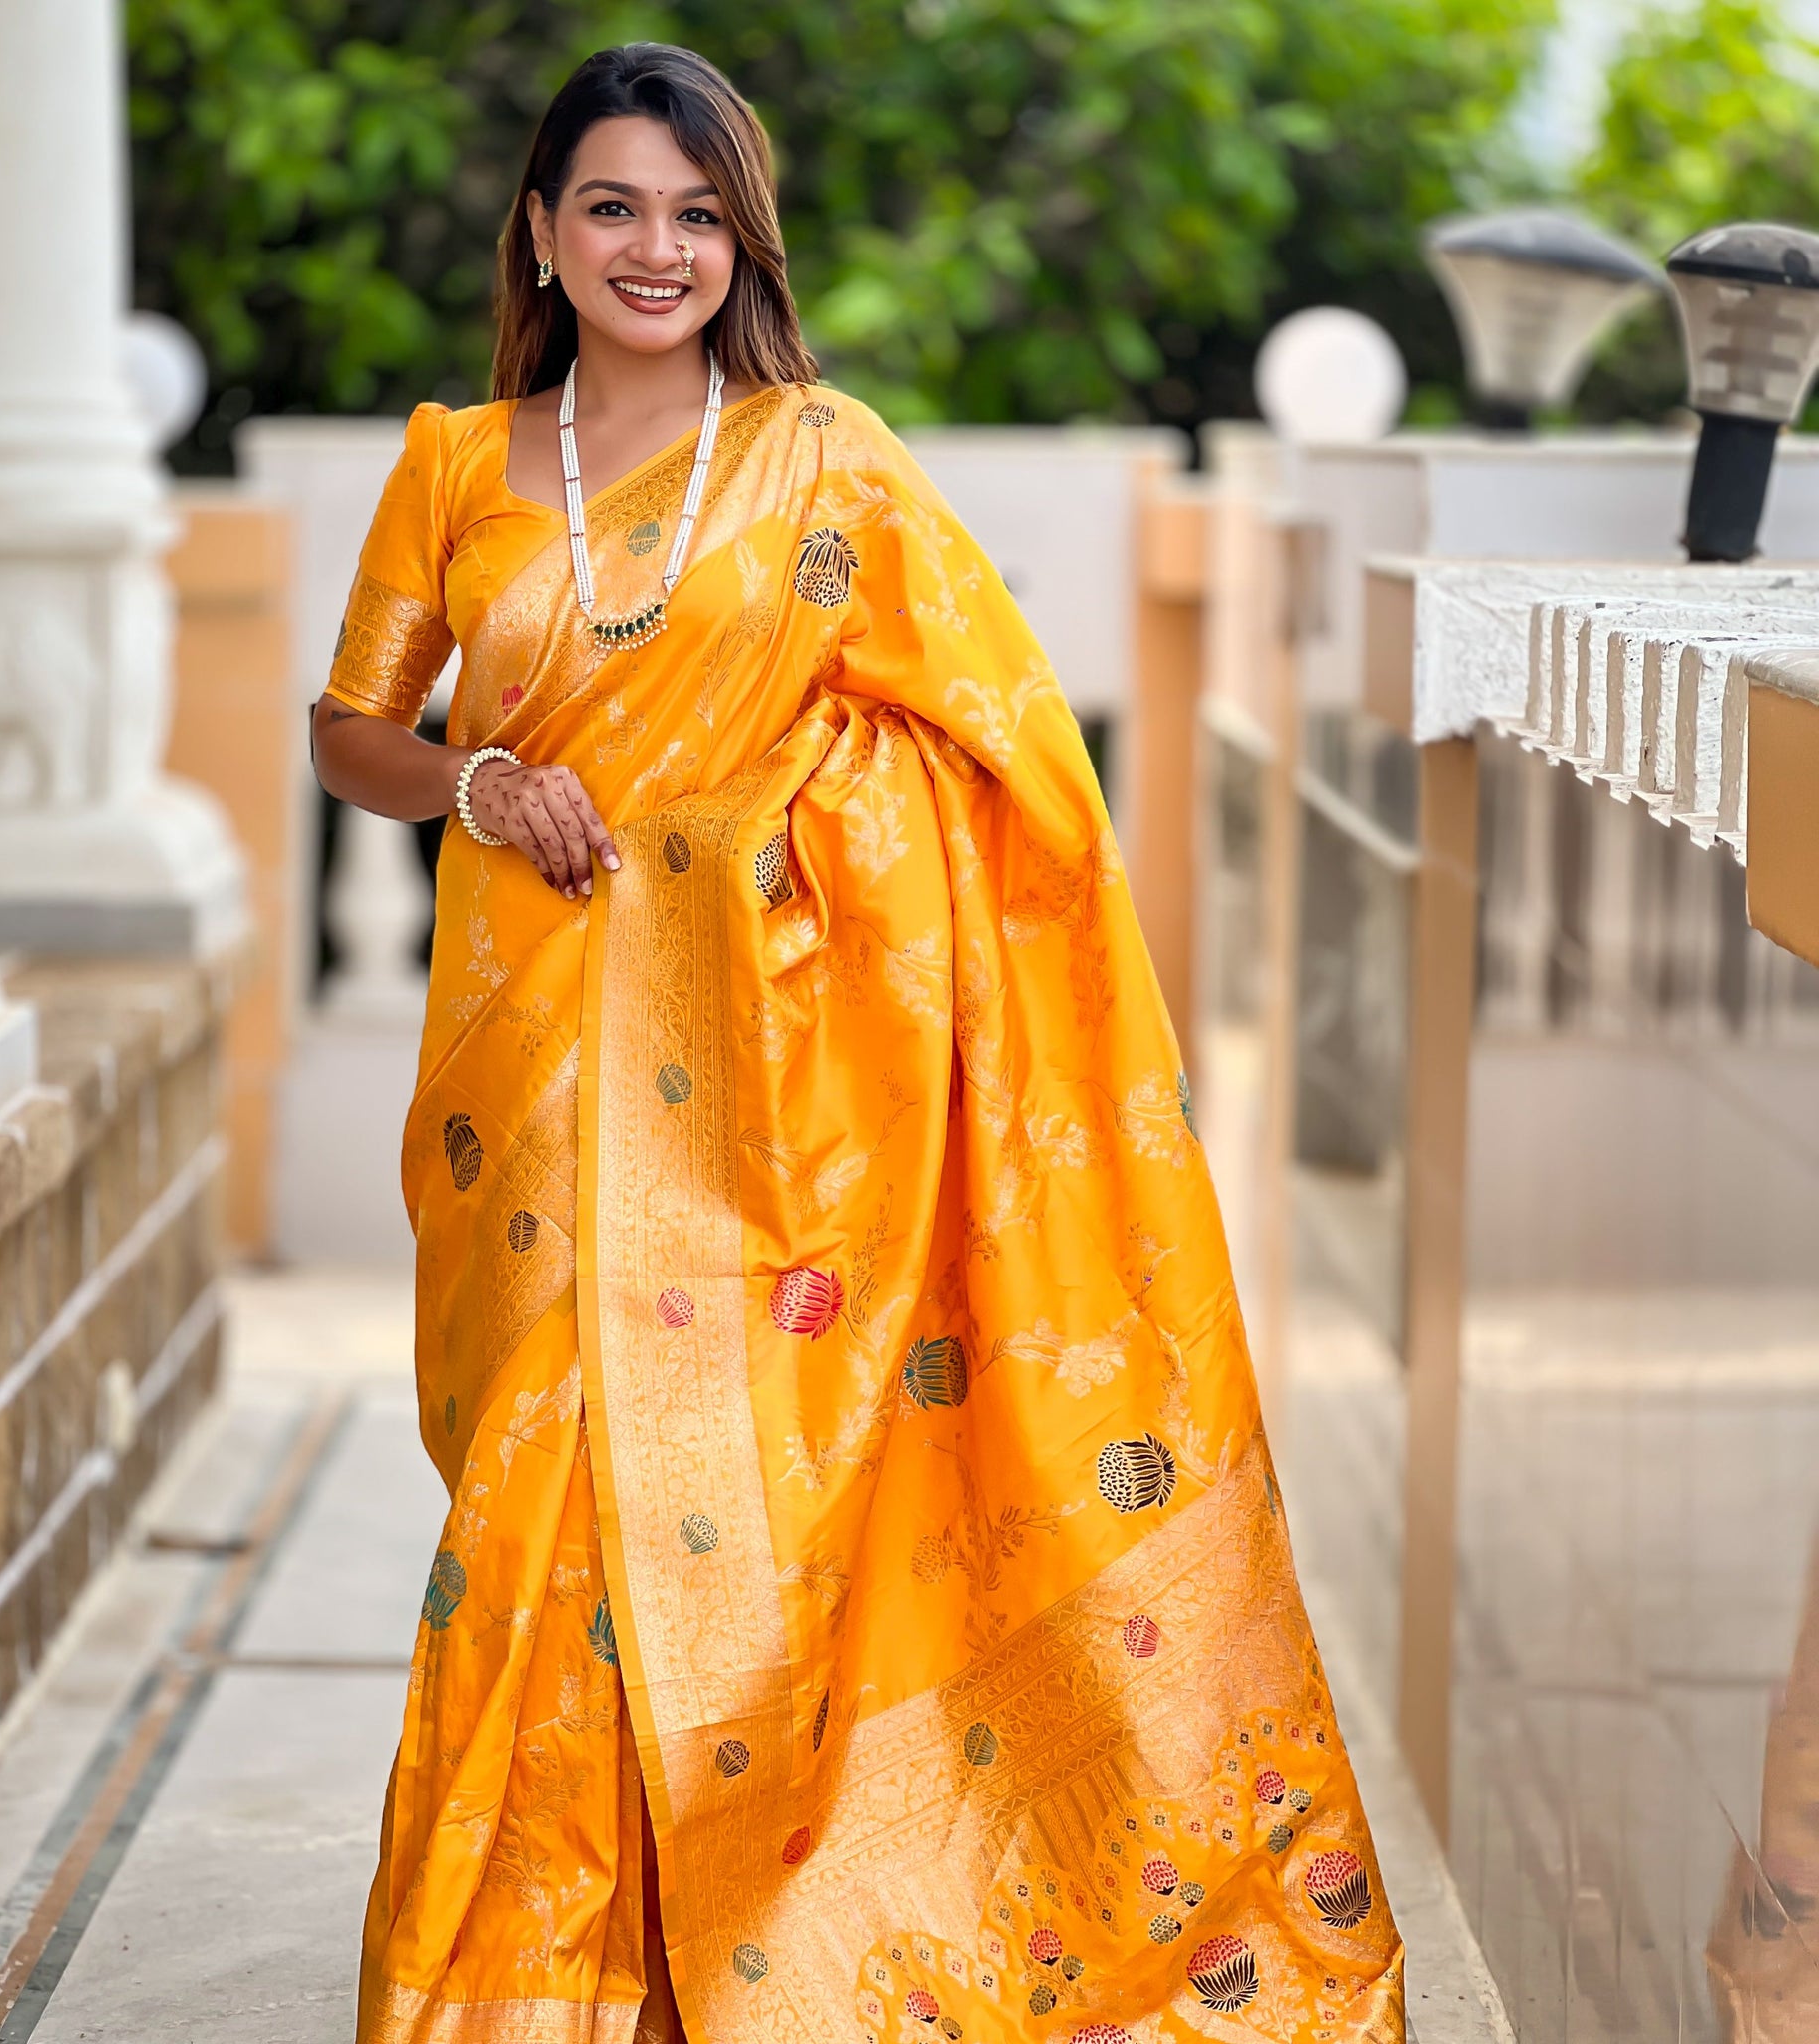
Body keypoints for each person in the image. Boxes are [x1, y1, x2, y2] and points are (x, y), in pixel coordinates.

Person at [313, 42, 1405, 2044]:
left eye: (701, 212)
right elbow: (348, 729)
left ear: (746, 242)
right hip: (535, 1072)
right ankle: (535, 1978)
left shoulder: (831, 466)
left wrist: (766, 834)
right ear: (543, 234)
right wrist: (473, 785)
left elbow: (1006, 766)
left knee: (725, 1508)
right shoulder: (459, 466)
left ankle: (681, 1974)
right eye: (619, 207)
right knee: (535, 1497)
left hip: (775, 1099)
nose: (661, 249)